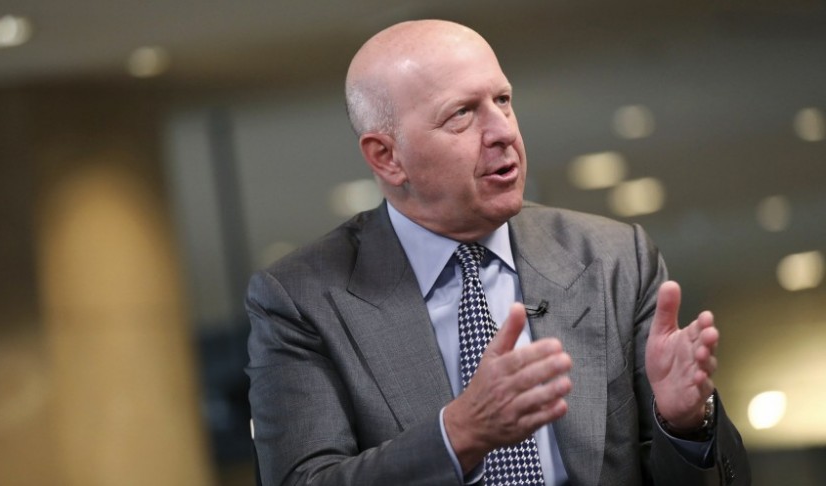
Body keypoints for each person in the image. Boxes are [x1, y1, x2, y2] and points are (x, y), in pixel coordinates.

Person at [245, 19, 750, 486]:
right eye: (461, 114)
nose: (503, 131)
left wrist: (684, 422)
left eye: (503, 100)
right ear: (387, 156)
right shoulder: (300, 298)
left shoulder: (615, 259)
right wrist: (459, 434)